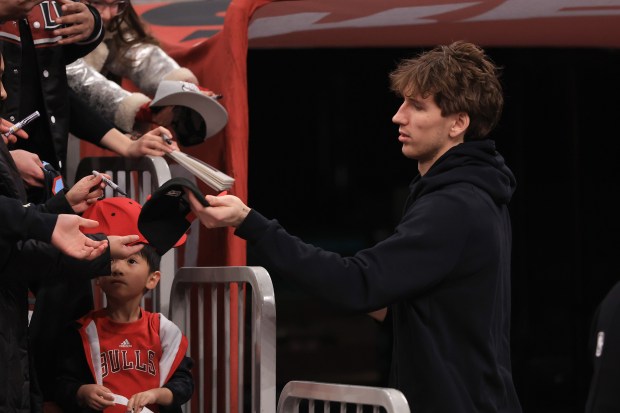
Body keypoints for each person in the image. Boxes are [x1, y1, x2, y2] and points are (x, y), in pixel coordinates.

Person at [186, 41, 522, 413]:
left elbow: (358, 285)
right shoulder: (469, 194)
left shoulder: (455, 205)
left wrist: (251, 223)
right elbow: (414, 309)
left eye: (417, 106)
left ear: (458, 123)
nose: (398, 116)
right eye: (402, 102)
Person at [55, 197, 194, 413]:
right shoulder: (82, 330)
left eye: (131, 261)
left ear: (153, 278)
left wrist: (158, 394)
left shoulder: (163, 331)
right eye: (110, 261)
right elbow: (61, 382)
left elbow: (184, 384)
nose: (118, 269)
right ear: (98, 276)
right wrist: (81, 392)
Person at [66, 0, 215, 135]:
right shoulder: (53, 19)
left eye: (116, 4)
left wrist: (182, 86)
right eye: (98, 3)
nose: (107, 15)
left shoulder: (115, 19)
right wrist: (140, 110)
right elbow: (73, 74)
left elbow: (132, 52)